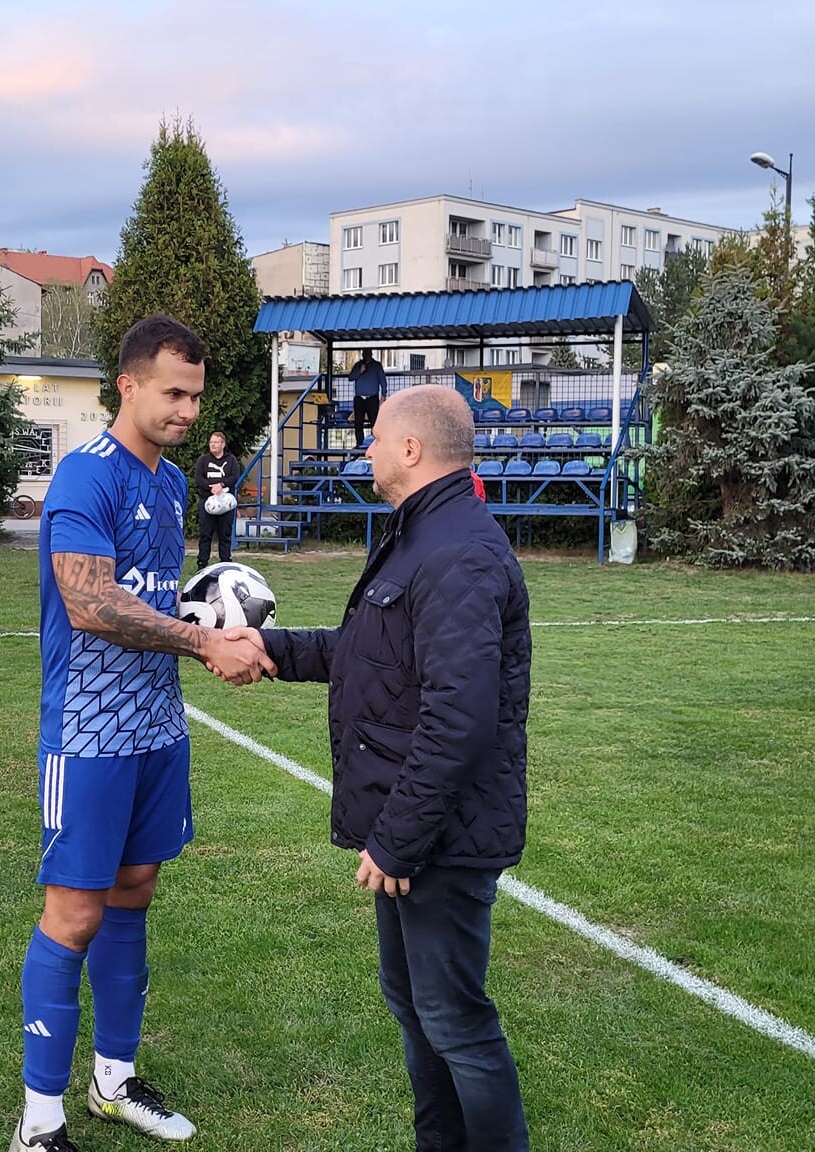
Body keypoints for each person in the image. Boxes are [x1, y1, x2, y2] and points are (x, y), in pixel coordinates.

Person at [226, 384, 532, 1152]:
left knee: (456, 1023)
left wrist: (397, 841)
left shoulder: (457, 551)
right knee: (417, 1008)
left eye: (375, 439)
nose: (364, 449)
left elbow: (458, 720)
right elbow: (367, 655)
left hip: (438, 840)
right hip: (417, 833)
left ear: (411, 450)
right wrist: (275, 649)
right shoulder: (420, 536)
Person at [11, 314, 270, 1152]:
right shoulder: (85, 477)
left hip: (158, 725)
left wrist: (204, 618)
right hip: (87, 732)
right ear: (127, 384)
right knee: (74, 915)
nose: (190, 410)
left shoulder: (169, 483)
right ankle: (38, 1123)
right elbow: (89, 603)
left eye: (196, 395)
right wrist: (201, 640)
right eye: (174, 393)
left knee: (135, 895)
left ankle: (112, 1083)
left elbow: (160, 597)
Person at [193, 430, 241, 568]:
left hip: (225, 502)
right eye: (211, 442)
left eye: (216, 442)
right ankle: (202, 564)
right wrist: (211, 487)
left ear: (223, 444)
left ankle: (225, 562)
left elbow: (233, 477)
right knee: (205, 533)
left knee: (224, 534)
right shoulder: (203, 460)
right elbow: (199, 478)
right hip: (206, 501)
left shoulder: (231, 460)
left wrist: (221, 485)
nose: (213, 445)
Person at [347, 348, 387, 448]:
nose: (365, 355)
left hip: (372, 398)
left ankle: (375, 443)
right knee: (358, 422)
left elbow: (383, 381)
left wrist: (383, 395)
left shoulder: (376, 366)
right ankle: (359, 443)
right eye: (364, 353)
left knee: (374, 421)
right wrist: (360, 371)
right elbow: (351, 377)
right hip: (359, 398)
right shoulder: (358, 365)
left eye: (367, 353)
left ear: (371, 354)